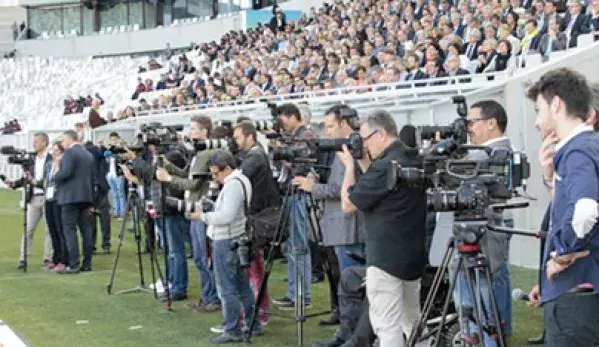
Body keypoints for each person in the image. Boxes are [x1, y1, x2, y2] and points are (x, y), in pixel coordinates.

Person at [339, 110, 427, 347]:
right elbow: (379, 186)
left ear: (381, 135)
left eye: (365, 139)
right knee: (413, 323)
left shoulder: (385, 166)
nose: (365, 146)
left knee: (387, 326)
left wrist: (349, 167)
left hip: (385, 258)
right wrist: (361, 160)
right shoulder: (411, 157)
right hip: (412, 257)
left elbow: (348, 204)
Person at [526, 68, 599, 346]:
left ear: (556, 104)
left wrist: (563, 255)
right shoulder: (589, 146)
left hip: (575, 297)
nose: (536, 122)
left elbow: (586, 210)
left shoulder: (578, 150)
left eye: (538, 109)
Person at [293, 105, 366, 327]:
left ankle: (351, 331)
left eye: (330, 126)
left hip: (347, 226)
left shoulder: (351, 149)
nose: (326, 132)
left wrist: (311, 186)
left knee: (350, 286)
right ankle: (349, 327)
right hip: (342, 226)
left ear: (344, 124)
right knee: (346, 283)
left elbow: (339, 189)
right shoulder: (343, 149)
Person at [449, 100, 515, 345]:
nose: (469, 128)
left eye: (472, 122)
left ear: (491, 123)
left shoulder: (492, 153)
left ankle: (483, 337)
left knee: (480, 286)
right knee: (494, 280)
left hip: (482, 227)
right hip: (487, 225)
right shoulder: (488, 153)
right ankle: (495, 332)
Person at [195, 151, 261, 344]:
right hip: (236, 237)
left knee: (227, 289)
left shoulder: (233, 186)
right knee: (242, 286)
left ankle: (233, 329)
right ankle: (252, 323)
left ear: (227, 168)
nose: (215, 178)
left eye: (216, 173)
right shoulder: (241, 180)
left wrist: (203, 216)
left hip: (227, 239)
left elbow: (226, 217)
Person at [155, 115, 221, 307]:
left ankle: (211, 297)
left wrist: (169, 179)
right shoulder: (199, 154)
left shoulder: (206, 154)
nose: (190, 132)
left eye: (193, 129)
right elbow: (188, 175)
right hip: (195, 208)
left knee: (203, 258)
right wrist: (169, 167)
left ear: (204, 132)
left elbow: (193, 183)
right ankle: (207, 296)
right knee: (200, 257)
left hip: (201, 208)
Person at [232, 121, 281, 325]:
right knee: (254, 266)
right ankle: (258, 310)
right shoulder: (256, 154)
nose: (235, 142)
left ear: (249, 136)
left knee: (254, 266)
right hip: (257, 216)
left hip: (258, 218)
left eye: (237, 137)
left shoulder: (255, 156)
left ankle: (258, 312)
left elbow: (238, 178)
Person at [271, 103, 316, 310]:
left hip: (300, 193)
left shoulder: (305, 135)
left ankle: (301, 295)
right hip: (292, 193)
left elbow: (300, 164)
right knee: (292, 245)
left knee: (299, 245)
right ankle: (294, 292)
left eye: (282, 119)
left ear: (291, 117)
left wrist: (281, 151)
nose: (281, 124)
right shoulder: (295, 136)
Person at [5, 132, 54, 270]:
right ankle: (23, 258)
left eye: (37, 141)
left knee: (49, 230)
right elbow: (26, 178)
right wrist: (14, 184)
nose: (34, 144)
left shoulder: (51, 159)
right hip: (32, 197)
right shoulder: (30, 158)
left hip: (47, 196)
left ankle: (48, 258)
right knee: (28, 229)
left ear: (45, 142)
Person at [51, 130, 95, 274]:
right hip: (86, 196)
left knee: (69, 230)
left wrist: (57, 169)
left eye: (63, 140)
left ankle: (74, 264)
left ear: (70, 139)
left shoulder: (70, 153)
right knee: (86, 230)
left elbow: (65, 174)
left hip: (70, 197)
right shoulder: (88, 154)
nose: (62, 144)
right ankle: (87, 263)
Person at [43, 142, 68, 272]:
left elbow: (60, 179)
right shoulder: (48, 164)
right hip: (49, 197)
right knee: (52, 229)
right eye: (53, 150)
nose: (54, 153)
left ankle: (64, 259)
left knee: (60, 229)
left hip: (59, 198)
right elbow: (46, 181)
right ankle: (56, 257)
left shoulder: (64, 163)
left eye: (57, 150)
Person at [85, 140, 111, 254]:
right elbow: (107, 166)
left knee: (91, 218)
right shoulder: (98, 152)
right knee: (104, 217)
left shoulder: (84, 153)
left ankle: (92, 245)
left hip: (89, 188)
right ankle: (106, 245)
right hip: (101, 187)